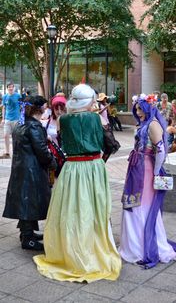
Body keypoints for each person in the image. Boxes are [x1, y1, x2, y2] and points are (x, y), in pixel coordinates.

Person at [33, 84, 121, 282]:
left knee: (72, 210)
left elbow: (62, 143)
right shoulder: (97, 117)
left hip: (72, 169)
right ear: (88, 100)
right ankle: (92, 248)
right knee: (94, 209)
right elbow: (110, 145)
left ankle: (70, 250)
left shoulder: (62, 120)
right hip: (93, 167)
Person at [119, 93, 176, 268]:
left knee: (140, 205)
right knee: (133, 204)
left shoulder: (153, 125)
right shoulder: (146, 124)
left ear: (150, 107)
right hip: (137, 167)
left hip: (146, 170)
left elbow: (161, 151)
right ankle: (133, 246)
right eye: (137, 108)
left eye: (141, 108)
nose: (138, 112)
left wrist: (155, 173)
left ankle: (139, 248)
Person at [2, 96, 57, 251]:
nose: (47, 109)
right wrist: (52, 162)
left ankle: (28, 232)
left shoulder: (22, 123)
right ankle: (27, 238)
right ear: (39, 108)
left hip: (22, 169)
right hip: (31, 171)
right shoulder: (34, 126)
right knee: (29, 202)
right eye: (45, 106)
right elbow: (41, 151)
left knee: (26, 201)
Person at [0, 82, 21, 158]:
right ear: (7, 88)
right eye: (9, 87)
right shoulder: (5, 96)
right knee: (5, 135)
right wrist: (3, 118)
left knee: (15, 136)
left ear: (14, 88)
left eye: (12, 87)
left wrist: (22, 118)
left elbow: (22, 106)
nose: (11, 88)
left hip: (16, 119)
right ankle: (7, 153)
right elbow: (4, 108)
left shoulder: (18, 96)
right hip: (7, 119)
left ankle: (16, 152)